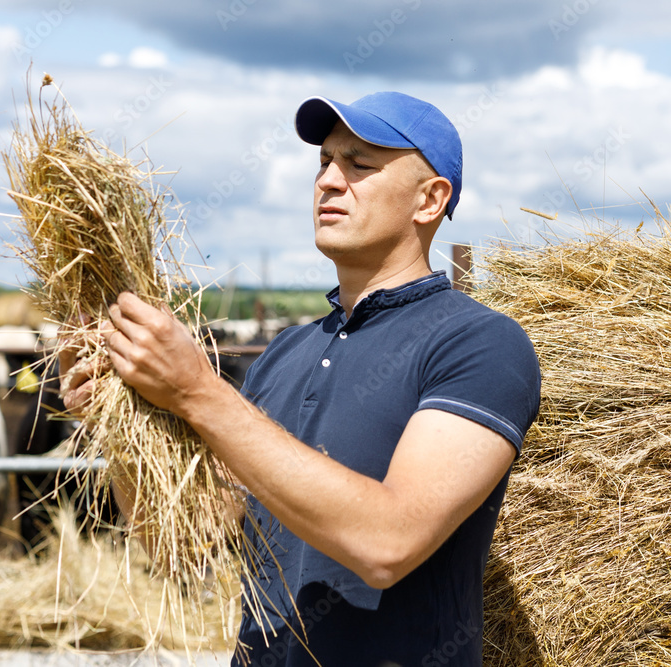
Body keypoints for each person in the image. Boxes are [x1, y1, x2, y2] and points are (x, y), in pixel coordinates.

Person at [61, 92, 541, 667]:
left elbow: (389, 542)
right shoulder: (286, 352)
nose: (329, 182)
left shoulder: (479, 343)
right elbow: (184, 548)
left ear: (430, 199)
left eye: (360, 164)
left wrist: (197, 391)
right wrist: (118, 419)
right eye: (324, 162)